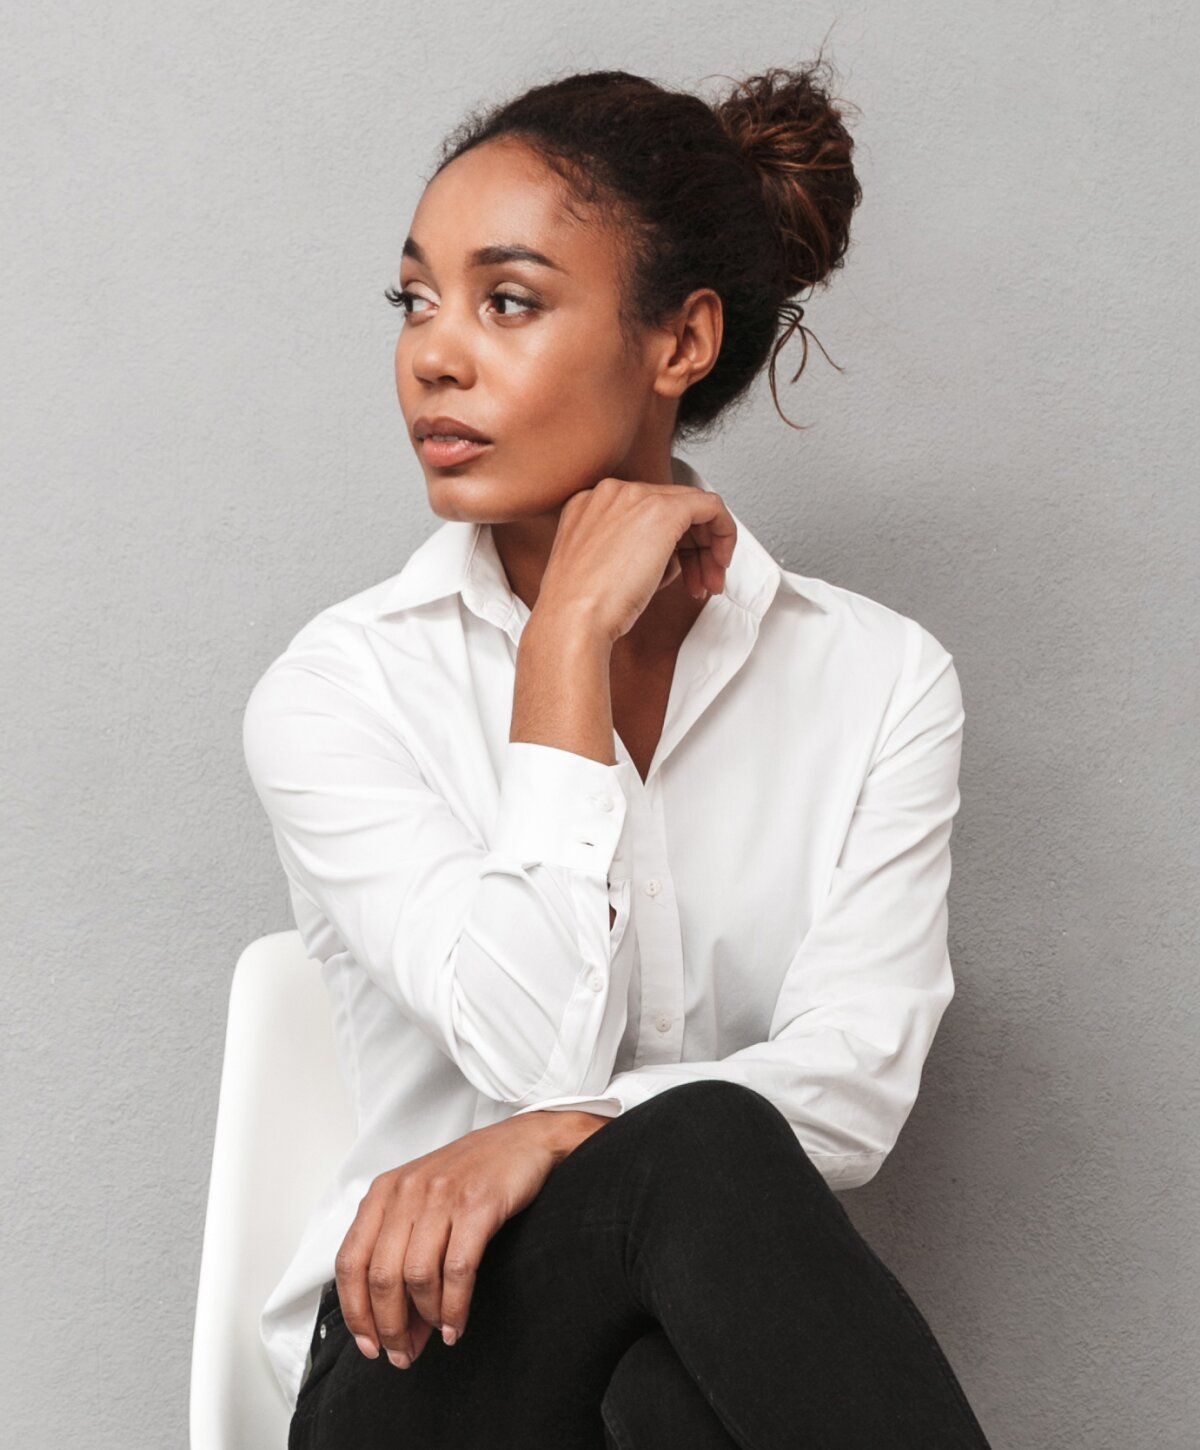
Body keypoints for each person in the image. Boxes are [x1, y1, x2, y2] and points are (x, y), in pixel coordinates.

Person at [242, 61, 994, 1449]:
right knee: (704, 1140)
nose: (433, 355)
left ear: (681, 340)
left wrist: (560, 1132)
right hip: (418, 1360)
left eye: (507, 301)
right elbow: (534, 1049)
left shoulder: (880, 681)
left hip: (689, 1369)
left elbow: (853, 1089)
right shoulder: (341, 689)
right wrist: (565, 647)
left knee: (671, 1391)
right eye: (415, 299)